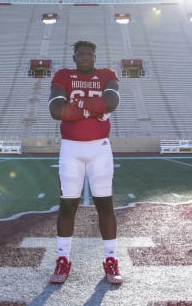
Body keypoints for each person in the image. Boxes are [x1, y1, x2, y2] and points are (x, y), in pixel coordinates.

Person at [47, 40, 122, 285]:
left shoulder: (107, 74)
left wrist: (75, 106)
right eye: (81, 54)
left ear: (95, 56)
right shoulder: (63, 75)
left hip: (100, 148)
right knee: (68, 205)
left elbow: (111, 103)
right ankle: (62, 259)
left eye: (89, 54)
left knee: (105, 204)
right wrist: (94, 109)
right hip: (71, 149)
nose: (86, 57)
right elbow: (56, 109)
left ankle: (111, 259)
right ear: (75, 56)